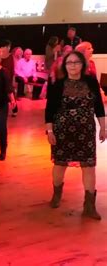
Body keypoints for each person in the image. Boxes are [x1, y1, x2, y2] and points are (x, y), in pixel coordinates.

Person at [45, 51, 105, 220]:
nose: (72, 65)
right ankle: (56, 195)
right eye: (69, 63)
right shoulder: (58, 84)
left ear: (82, 64)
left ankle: (89, 206)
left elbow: (99, 106)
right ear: (64, 65)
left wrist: (103, 127)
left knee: (89, 166)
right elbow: (49, 110)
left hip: (86, 131)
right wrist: (49, 131)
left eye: (76, 62)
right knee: (60, 164)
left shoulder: (91, 82)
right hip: (62, 131)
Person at [0, 40, 18, 117]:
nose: (9, 48)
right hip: (0, 78)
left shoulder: (11, 57)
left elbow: (13, 69)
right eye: (8, 46)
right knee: (1, 95)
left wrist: (13, 79)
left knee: (11, 94)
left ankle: (15, 110)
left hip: (9, 78)